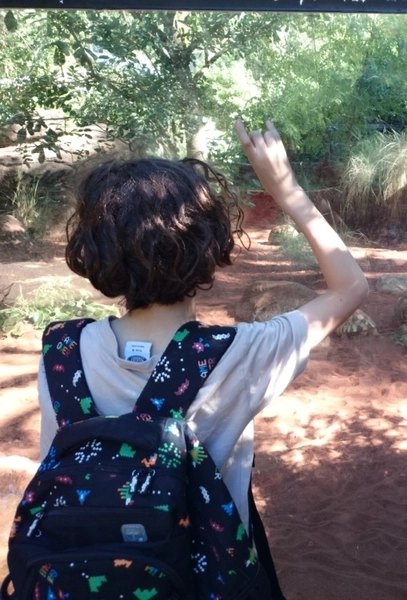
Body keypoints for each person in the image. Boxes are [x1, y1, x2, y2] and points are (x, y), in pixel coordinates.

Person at [36, 119, 368, 573]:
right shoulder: (239, 353)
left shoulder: (60, 351)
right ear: (210, 246)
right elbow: (350, 287)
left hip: (77, 573)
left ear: (92, 248)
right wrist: (286, 190)